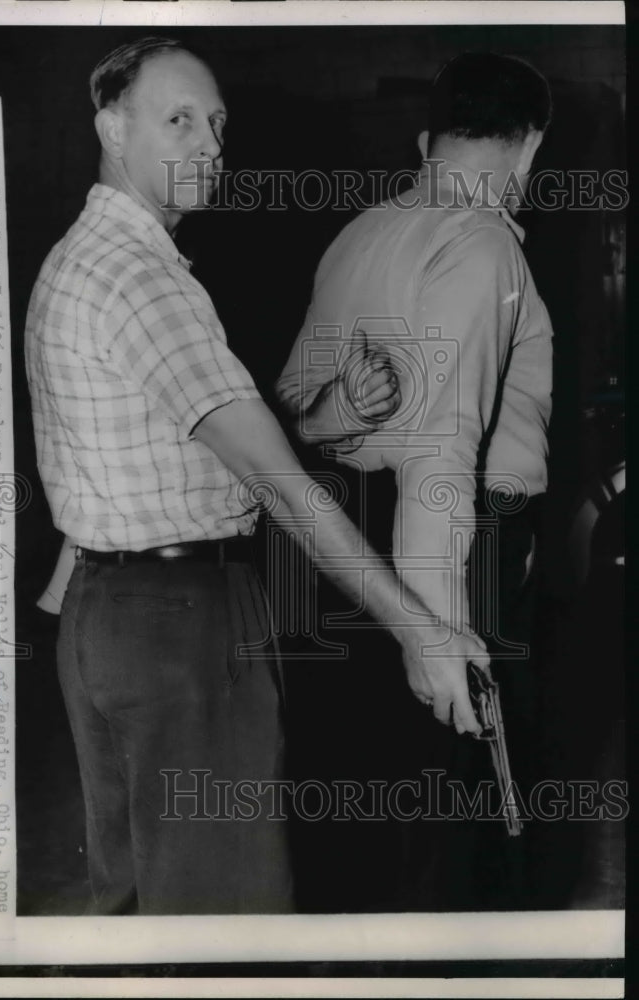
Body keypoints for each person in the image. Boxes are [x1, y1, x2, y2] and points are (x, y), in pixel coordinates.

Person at [25, 37, 488, 916]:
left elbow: (165, 446)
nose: (210, 144)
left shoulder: (81, 256)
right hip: (181, 622)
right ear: (109, 128)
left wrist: (333, 415)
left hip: (105, 607)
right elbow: (276, 483)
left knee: (137, 907)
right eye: (179, 120)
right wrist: (419, 630)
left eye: (218, 123)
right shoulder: (143, 282)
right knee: (222, 917)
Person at [276, 52, 554, 907]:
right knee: (449, 823)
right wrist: (431, 636)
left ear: (426, 139)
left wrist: (347, 415)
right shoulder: (480, 246)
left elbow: (295, 409)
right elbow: (441, 455)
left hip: (341, 540)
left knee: (355, 797)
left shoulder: (357, 232)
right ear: (530, 147)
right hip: (447, 551)